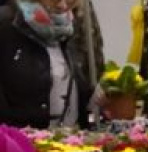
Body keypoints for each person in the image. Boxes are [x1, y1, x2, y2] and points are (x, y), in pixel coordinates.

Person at [0, 0, 92, 128]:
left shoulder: (69, 27)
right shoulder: (6, 23)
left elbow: (82, 90)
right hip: (19, 143)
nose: (63, 5)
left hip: (68, 143)